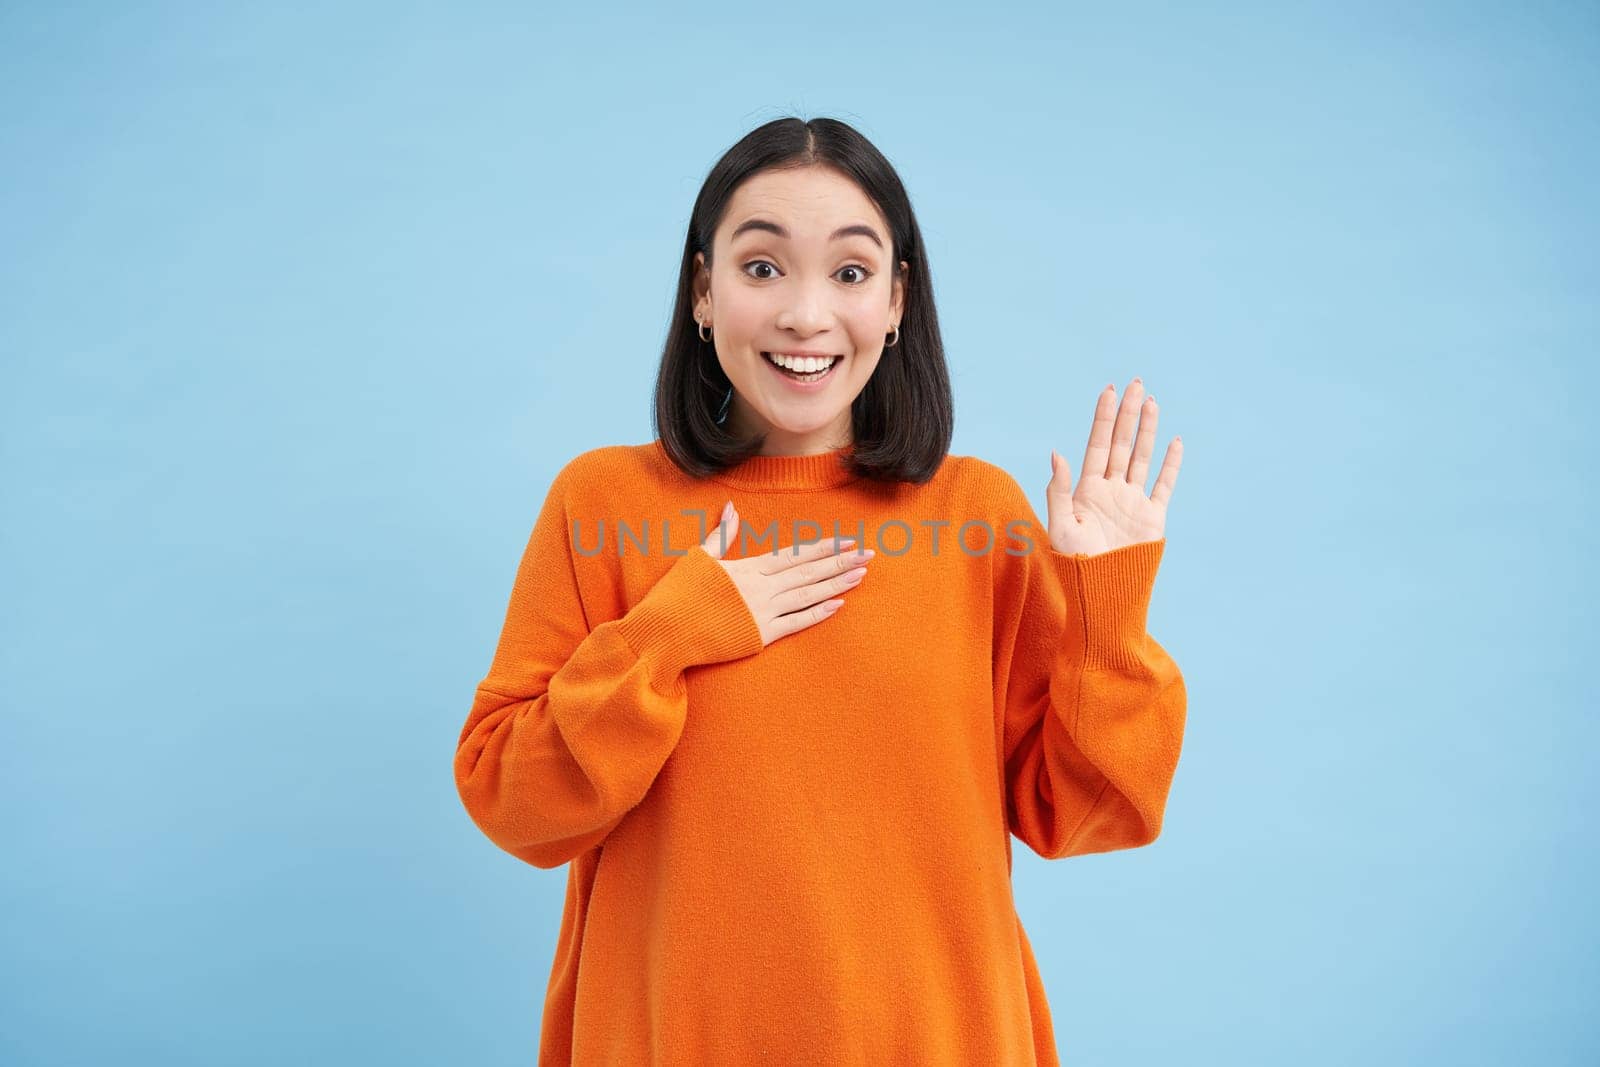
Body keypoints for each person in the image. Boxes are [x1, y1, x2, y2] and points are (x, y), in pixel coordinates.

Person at [452, 116, 1187, 1066]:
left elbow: (1091, 812)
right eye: (762, 268)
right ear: (703, 291)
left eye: (849, 272)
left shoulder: (978, 515)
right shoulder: (603, 503)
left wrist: (1108, 616)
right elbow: (515, 805)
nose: (806, 314)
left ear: (896, 302)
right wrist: (675, 630)